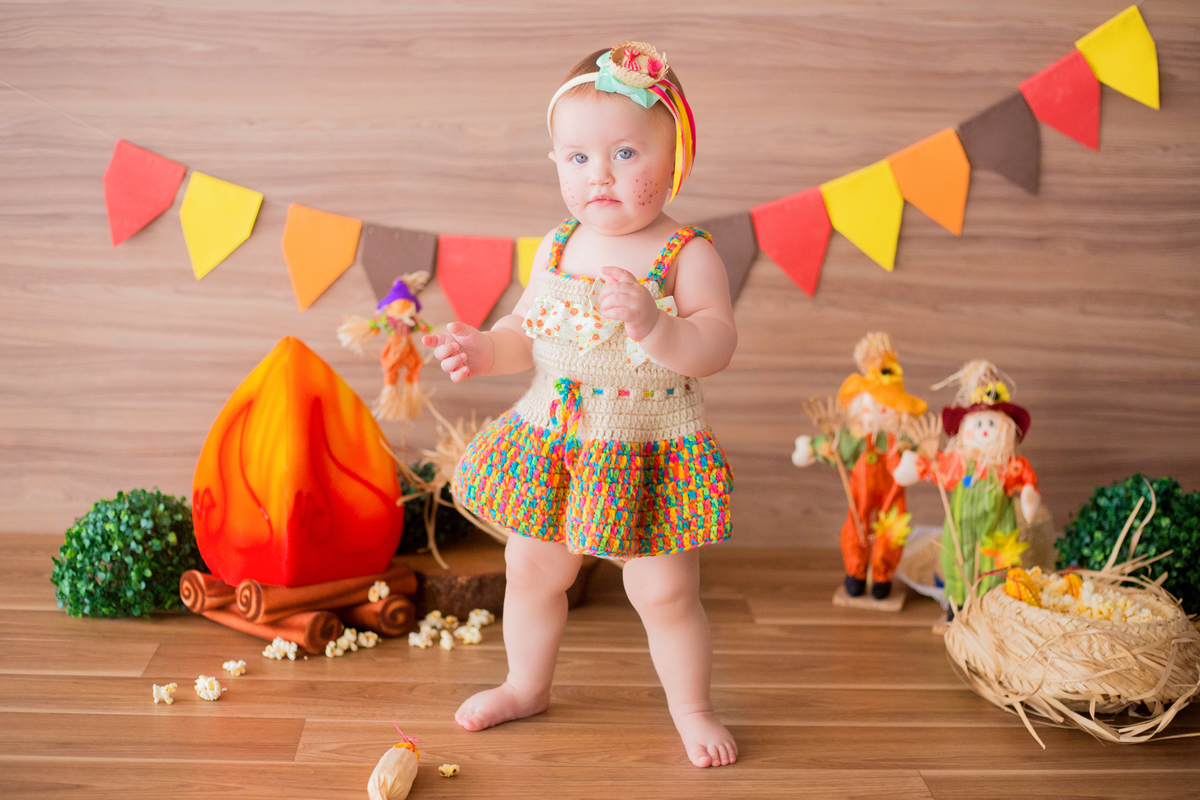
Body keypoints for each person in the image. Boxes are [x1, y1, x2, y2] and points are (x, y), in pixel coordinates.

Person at [422, 41, 738, 768]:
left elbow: (716, 344)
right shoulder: (558, 247)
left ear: (676, 156)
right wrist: (483, 349)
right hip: (559, 442)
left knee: (662, 590)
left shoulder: (687, 254)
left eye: (626, 154)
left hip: (648, 445)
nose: (600, 175)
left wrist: (658, 327)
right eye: (577, 158)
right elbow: (522, 334)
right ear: (557, 162)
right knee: (533, 571)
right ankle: (525, 684)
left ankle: (692, 707)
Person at [892, 360, 1041, 616]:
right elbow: (933, 468)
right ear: (965, 430)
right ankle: (957, 603)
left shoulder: (1007, 466)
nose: (985, 431)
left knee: (992, 565)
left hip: (995, 529)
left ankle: (985, 607)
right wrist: (917, 465)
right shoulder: (959, 462)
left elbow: (1027, 484)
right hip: (961, 527)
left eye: (992, 425)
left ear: (1006, 429)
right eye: (979, 425)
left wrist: (1029, 497)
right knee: (957, 560)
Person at [792, 333, 926, 599]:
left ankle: (881, 576)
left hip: (892, 493)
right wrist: (817, 448)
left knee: (891, 530)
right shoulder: (855, 438)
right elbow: (837, 445)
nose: (878, 411)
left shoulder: (900, 439)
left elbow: (921, 454)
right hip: (860, 492)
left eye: (886, 406)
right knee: (856, 525)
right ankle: (855, 572)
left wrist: (917, 461)